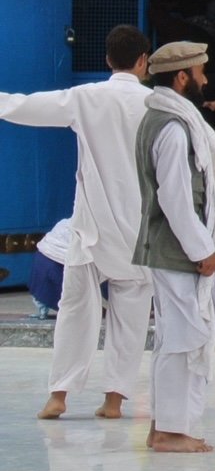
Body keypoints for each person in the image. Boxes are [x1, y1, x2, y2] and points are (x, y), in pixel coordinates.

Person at [0, 24, 154, 421]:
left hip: (92, 228)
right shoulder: (158, 105)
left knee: (75, 310)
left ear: (107, 60)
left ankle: (59, 395)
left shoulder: (85, 98)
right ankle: (114, 400)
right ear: (143, 62)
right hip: (140, 230)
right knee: (131, 316)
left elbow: (23, 106)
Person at [132, 41, 215, 453]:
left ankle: (168, 426)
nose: (205, 79)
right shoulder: (172, 128)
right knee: (186, 340)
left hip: (174, 249)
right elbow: (175, 199)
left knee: (176, 339)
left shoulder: (168, 118)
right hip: (178, 250)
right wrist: (203, 250)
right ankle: (170, 432)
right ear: (182, 77)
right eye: (200, 72)